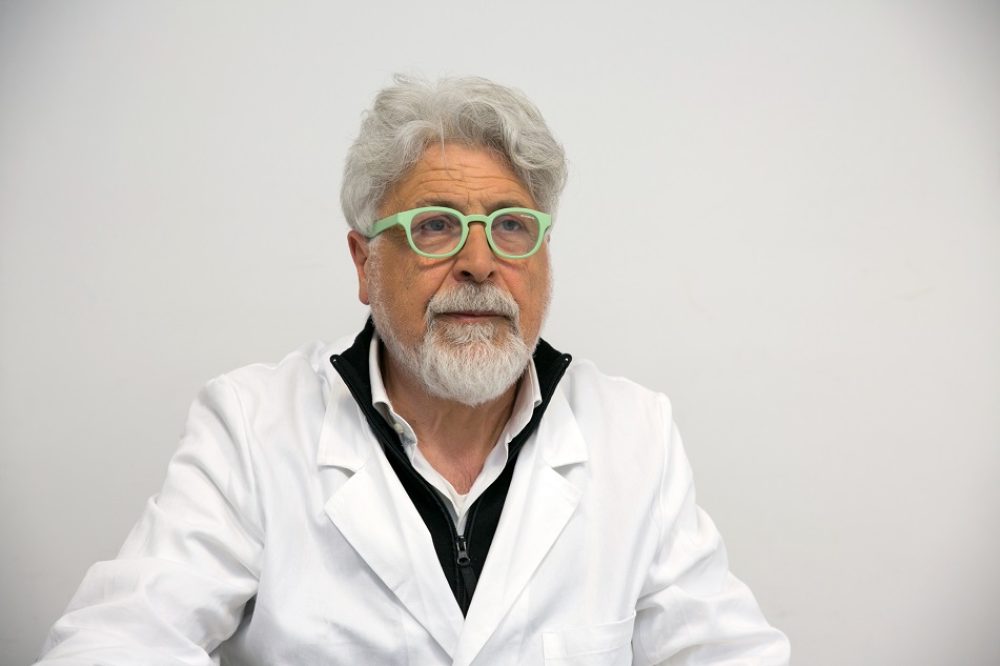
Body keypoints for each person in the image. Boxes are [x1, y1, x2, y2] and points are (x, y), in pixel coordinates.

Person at [37, 75, 790, 665]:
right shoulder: (253, 428)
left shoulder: (634, 434)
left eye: (511, 226)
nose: (479, 262)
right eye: (435, 226)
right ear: (364, 263)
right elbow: (111, 645)